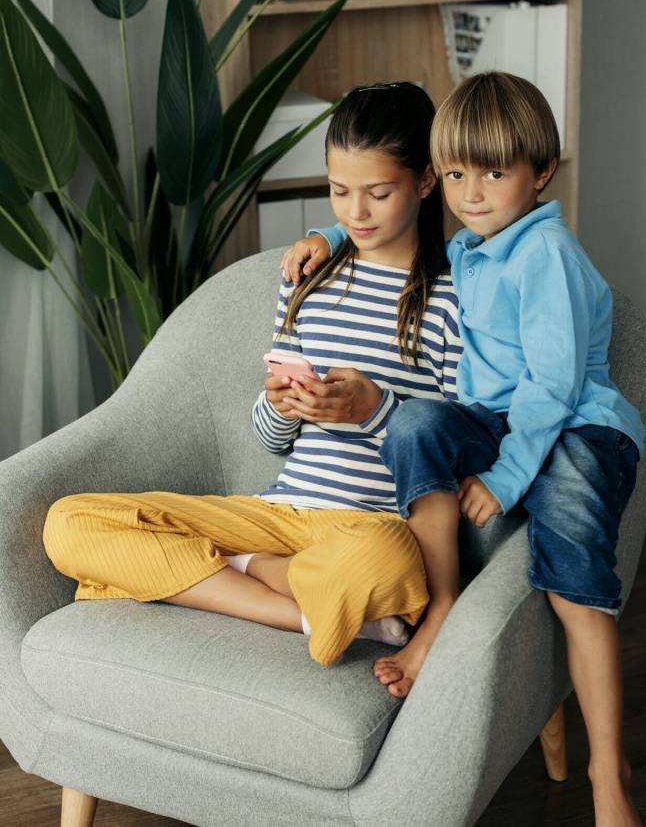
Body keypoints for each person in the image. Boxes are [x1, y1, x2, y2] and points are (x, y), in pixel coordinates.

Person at [281, 71, 645, 826]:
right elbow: (391, 209)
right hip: (498, 417)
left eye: (493, 173)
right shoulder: (479, 245)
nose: (471, 193)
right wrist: (334, 234)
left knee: (575, 586)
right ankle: (440, 607)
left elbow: (553, 385)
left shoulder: (546, 256)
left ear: (541, 172)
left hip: (577, 423)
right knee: (416, 423)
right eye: (454, 174)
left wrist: (509, 476)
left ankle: (608, 773)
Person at [42, 81, 464, 671]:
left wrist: (374, 412)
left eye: (378, 192)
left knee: (382, 565)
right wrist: (281, 406)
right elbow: (269, 440)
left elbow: (458, 444)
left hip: (370, 528)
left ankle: (225, 574)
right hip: (278, 514)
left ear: (425, 181)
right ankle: (303, 611)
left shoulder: (452, 301)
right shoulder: (308, 279)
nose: (355, 212)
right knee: (70, 523)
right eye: (339, 191)